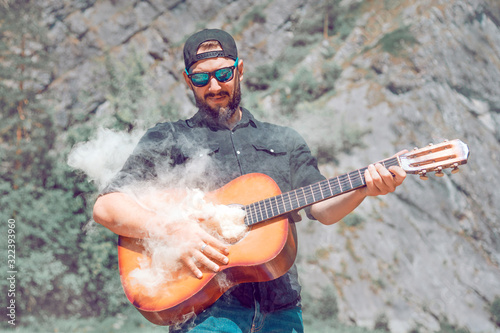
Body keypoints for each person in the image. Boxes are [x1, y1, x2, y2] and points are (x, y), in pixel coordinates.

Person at [93, 29, 406, 332]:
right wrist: (174, 230)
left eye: (223, 74)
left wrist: (364, 187)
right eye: (201, 77)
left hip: (282, 313)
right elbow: (108, 207)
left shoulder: (284, 140)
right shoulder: (168, 138)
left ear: (239, 70)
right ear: (188, 79)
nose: (214, 85)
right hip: (206, 314)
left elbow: (322, 209)